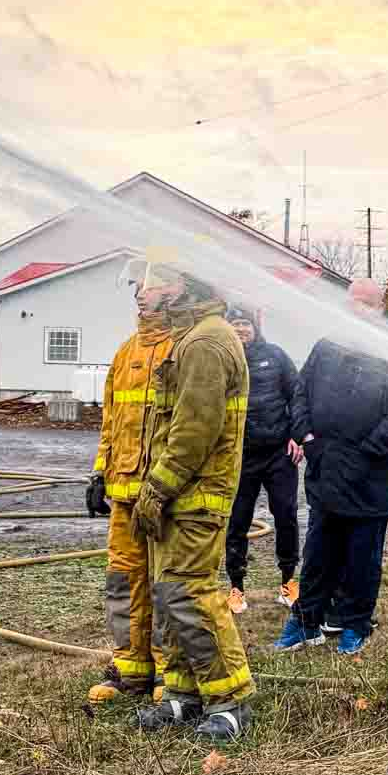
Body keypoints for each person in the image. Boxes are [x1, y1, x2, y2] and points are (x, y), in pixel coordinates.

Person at [127, 257, 257, 742]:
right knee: (168, 596)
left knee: (188, 592)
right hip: (180, 494)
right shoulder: (190, 337)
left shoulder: (205, 341)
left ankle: (231, 701)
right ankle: (184, 694)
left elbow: (193, 432)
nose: (144, 293)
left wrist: (157, 488)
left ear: (184, 286)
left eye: (156, 283)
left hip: (195, 493)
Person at [274, 277, 388, 656]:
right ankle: (306, 620)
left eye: (366, 303)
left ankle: (355, 623)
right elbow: (300, 393)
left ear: (380, 306)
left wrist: (368, 451)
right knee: (319, 552)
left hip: (370, 477)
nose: (357, 308)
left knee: (362, 556)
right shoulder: (328, 346)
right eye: (352, 301)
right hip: (324, 468)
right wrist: (306, 436)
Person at [84, 289, 175, 704]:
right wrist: (99, 473)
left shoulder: (185, 350)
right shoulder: (125, 354)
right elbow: (112, 422)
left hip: (166, 496)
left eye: (152, 290)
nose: (142, 299)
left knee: (165, 584)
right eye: (138, 291)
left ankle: (168, 671)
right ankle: (129, 668)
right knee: (123, 580)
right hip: (124, 493)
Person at [223, 304, 302, 615]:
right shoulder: (222, 359)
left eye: (245, 324)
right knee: (237, 521)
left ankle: (289, 582)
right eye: (234, 324)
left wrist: (297, 434)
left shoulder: (276, 356)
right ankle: (236, 588)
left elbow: (297, 395)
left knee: (286, 516)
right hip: (240, 456)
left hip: (279, 453)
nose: (240, 329)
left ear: (255, 328)